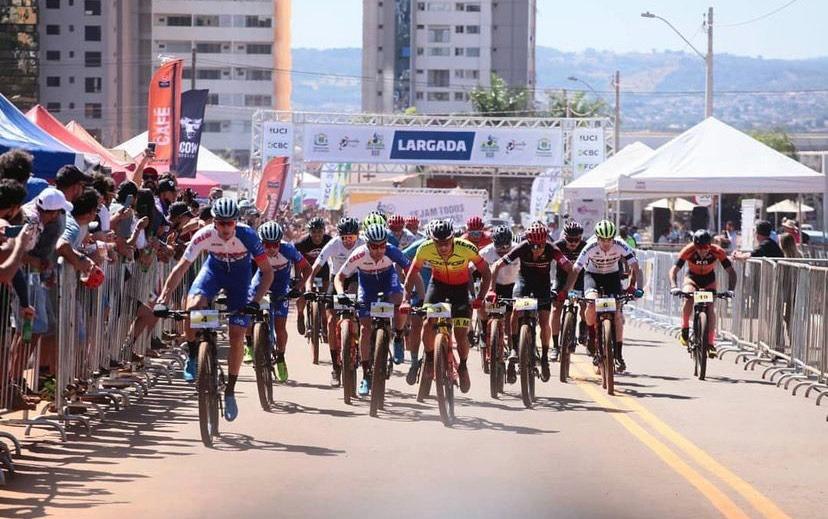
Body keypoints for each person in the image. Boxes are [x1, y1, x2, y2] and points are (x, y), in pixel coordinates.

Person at [155, 197, 274, 422]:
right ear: (214, 222)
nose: (225, 228)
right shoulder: (205, 234)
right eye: (221, 223)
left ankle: (229, 391)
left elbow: (267, 272)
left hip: (240, 278)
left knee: (237, 334)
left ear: (236, 222)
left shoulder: (248, 235)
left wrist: (255, 301)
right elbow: (181, 268)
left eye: (230, 223)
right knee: (192, 308)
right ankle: (193, 354)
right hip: (213, 272)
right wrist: (163, 299)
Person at [336, 224, 422, 397]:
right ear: (367, 245)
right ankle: (367, 375)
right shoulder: (359, 254)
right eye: (374, 246)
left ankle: (398, 336)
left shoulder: (392, 251)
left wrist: (419, 296)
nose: (379, 250)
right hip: (367, 288)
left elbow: (412, 272)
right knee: (365, 329)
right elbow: (340, 277)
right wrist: (340, 294)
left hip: (388, 282)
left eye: (382, 245)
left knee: (399, 303)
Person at [406, 219, 490, 394]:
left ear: (453, 238)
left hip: (460, 290)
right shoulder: (425, 248)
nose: (443, 247)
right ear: (432, 240)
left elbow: (486, 272)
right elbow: (413, 272)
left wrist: (480, 297)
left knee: (460, 335)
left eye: (446, 242)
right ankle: (430, 359)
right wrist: (406, 299)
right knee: (428, 323)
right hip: (437, 286)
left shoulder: (466, 247)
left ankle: (464, 366)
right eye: (438, 243)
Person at [491, 221, 571, 383]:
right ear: (528, 242)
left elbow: (570, 268)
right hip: (524, 282)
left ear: (545, 242)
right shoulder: (522, 247)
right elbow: (497, 265)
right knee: (514, 310)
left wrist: (565, 290)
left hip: (542, 285)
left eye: (540, 245)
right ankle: (514, 348)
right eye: (533, 246)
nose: (536, 249)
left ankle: (544, 358)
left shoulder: (552, 249)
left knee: (544, 321)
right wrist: (492, 290)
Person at [561, 220, 640, 373]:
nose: (606, 243)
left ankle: (618, 354)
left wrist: (634, 286)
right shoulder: (589, 246)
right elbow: (576, 270)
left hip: (612, 277)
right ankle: (591, 335)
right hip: (592, 276)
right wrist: (567, 290)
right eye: (602, 240)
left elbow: (636, 267)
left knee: (617, 314)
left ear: (613, 237)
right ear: (596, 238)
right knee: (591, 303)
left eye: (609, 239)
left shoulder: (621, 244)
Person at [248, 221, 311, 382]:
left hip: (280, 287)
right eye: (267, 244)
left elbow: (307, 268)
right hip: (260, 283)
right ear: (260, 242)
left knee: (280, 326)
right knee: (247, 310)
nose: (271, 248)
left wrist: (298, 286)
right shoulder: (254, 249)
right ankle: (249, 343)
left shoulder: (288, 249)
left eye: (275, 244)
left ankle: (281, 357)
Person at [306, 216, 364, 386]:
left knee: (355, 304)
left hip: (355, 277)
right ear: (339, 237)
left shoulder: (362, 244)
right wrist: (309, 287)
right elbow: (315, 268)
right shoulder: (333, 244)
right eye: (344, 238)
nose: (348, 242)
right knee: (330, 320)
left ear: (357, 236)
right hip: (335, 278)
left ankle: (357, 337)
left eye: (352, 238)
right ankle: (335, 366)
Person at [669, 230, 737, 356]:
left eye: (705, 248)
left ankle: (710, 343)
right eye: (698, 248)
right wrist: (674, 286)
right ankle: (684, 328)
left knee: (710, 308)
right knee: (688, 296)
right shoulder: (688, 250)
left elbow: (731, 271)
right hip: (692, 278)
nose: (702, 251)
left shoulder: (717, 251)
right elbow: (674, 269)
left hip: (709, 280)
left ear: (710, 245)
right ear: (694, 245)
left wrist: (731, 289)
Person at [476, 225, 519, 372]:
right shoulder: (486, 251)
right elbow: (470, 267)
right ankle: (483, 329)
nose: (502, 250)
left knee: (509, 321)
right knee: (481, 304)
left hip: (512, 286)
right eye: (499, 247)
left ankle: (513, 350)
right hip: (493, 287)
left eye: (506, 246)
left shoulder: (517, 249)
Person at [551, 220, 588, 357]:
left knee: (585, 305)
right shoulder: (557, 246)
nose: (573, 243)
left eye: (576, 240)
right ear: (564, 237)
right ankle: (555, 346)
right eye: (569, 239)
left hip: (580, 279)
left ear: (581, 238)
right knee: (555, 309)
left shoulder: (586, 246)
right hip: (562, 279)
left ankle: (583, 326)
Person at [294, 216, 332, 335]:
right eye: (314, 232)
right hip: (307, 271)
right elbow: (296, 260)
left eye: (320, 231)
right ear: (309, 232)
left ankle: (324, 322)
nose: (317, 235)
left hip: (323, 270)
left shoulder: (329, 240)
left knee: (324, 297)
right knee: (303, 294)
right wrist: (297, 277)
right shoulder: (302, 243)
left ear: (324, 231)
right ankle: (300, 314)